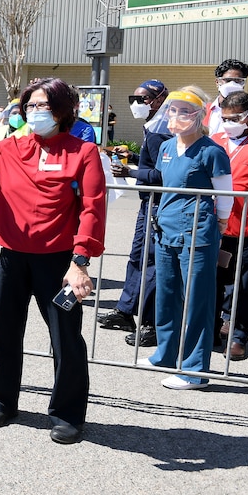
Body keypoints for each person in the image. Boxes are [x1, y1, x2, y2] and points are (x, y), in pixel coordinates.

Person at [0, 76, 106, 444]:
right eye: (30, 105)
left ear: (63, 110)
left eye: (43, 105)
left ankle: (67, 413)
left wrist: (80, 261)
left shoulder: (83, 152)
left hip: (58, 261)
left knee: (66, 339)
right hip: (9, 255)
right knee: (5, 331)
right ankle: (1, 401)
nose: (35, 112)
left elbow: (93, 208)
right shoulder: (10, 146)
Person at [142, 87, 232, 390]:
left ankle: (195, 369)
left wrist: (217, 226)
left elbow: (225, 197)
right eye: (173, 109)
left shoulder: (211, 151)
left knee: (197, 302)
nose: (176, 116)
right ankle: (165, 354)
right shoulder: (167, 148)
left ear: (199, 116)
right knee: (166, 296)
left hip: (197, 234)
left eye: (184, 111)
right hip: (166, 231)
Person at [99, 79, 171, 347]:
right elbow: (150, 164)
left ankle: (152, 323)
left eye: (143, 98)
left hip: (160, 203)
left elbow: (164, 174)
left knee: (152, 261)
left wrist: (130, 171)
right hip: (147, 203)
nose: (136, 104)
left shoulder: (163, 130)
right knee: (138, 256)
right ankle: (126, 310)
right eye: (134, 98)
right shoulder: (152, 126)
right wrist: (131, 158)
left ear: (159, 99)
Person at [213, 91, 248, 361]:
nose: (229, 123)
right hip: (217, 227)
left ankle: (239, 335)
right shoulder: (215, 141)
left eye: (236, 119)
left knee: (246, 284)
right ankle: (213, 328)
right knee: (214, 281)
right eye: (225, 118)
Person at [204, 59, 248, 136]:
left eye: (237, 81)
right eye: (228, 80)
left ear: (243, 83)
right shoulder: (203, 111)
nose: (232, 84)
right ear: (217, 82)